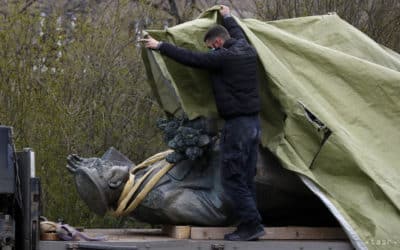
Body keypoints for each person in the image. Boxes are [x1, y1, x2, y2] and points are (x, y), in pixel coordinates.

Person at [140, 5, 265, 241]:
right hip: (254, 125)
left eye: (209, 47)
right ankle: (251, 223)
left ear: (217, 43)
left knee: (231, 177)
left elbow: (192, 59)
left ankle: (251, 224)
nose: (209, 51)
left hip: (237, 127)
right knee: (246, 177)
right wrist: (228, 16)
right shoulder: (245, 48)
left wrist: (160, 46)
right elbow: (237, 30)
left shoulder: (223, 58)